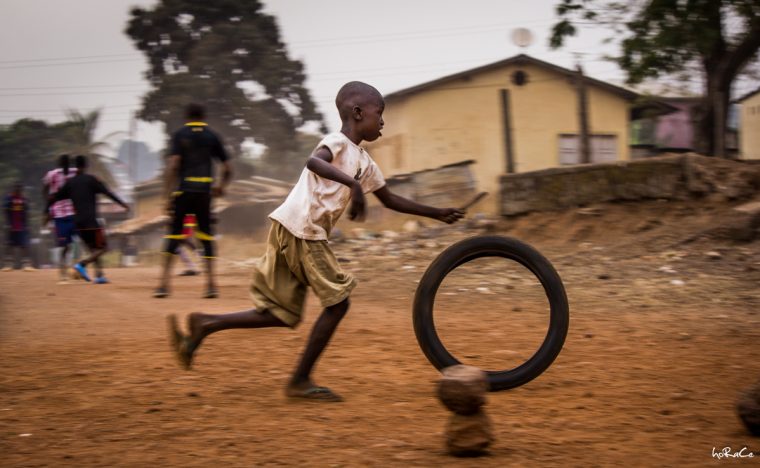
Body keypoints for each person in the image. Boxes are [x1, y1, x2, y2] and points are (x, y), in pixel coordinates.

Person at [167, 81, 464, 402]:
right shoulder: (336, 142)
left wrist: (438, 212)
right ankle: (300, 380)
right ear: (357, 112)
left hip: (291, 227)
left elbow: (390, 200)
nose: (382, 122)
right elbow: (313, 161)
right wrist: (353, 186)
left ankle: (205, 324)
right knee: (338, 303)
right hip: (303, 230)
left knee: (279, 313)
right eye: (380, 113)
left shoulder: (365, 162)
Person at [153, 103, 232, 299]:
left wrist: (167, 196)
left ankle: (163, 285)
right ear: (203, 116)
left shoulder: (180, 135)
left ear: (186, 116)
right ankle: (211, 286)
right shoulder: (212, 136)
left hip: (183, 192)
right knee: (206, 237)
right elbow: (228, 168)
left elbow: (173, 166)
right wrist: (220, 187)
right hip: (204, 193)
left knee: (174, 236)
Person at [49, 155, 129, 283]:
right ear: (86, 166)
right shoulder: (91, 180)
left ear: (76, 167)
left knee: (93, 248)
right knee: (103, 248)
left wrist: (47, 212)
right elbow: (108, 192)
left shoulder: (70, 183)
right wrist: (123, 204)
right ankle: (82, 264)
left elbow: (55, 197)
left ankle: (99, 276)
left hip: (78, 223)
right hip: (90, 221)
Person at [42, 154, 78, 283]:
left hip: (73, 213)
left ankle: (76, 267)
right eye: (63, 164)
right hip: (58, 214)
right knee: (64, 245)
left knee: (76, 242)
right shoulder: (52, 175)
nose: (65, 166)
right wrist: (47, 206)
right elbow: (45, 188)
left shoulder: (75, 172)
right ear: (60, 165)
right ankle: (63, 269)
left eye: (67, 163)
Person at [3, 183, 34, 271]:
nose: (18, 191)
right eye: (16, 189)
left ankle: (27, 264)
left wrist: (27, 225)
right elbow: (5, 210)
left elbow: (27, 212)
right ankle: (8, 265)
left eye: (19, 190)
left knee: (25, 245)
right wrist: (7, 223)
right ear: (13, 190)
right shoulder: (9, 199)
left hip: (22, 227)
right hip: (11, 226)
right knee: (9, 245)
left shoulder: (24, 200)